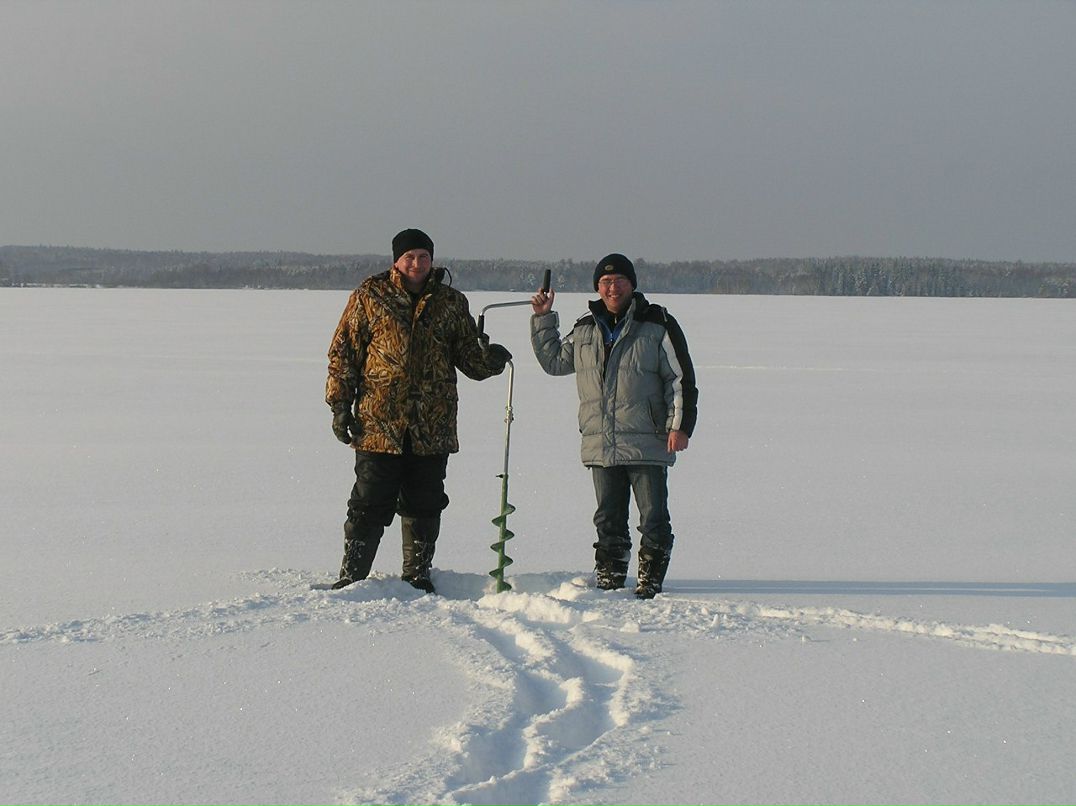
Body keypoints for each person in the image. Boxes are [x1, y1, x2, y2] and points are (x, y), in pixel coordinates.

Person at [325, 228, 512, 593]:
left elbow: (468, 360)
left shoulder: (451, 302)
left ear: (432, 260)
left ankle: (417, 573)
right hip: (379, 423)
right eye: (409, 257)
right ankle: (353, 575)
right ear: (396, 260)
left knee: (424, 501)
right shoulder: (369, 297)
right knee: (368, 500)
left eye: (423, 257)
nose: (417, 264)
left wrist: (489, 360)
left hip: (432, 424)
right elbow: (343, 353)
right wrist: (339, 405)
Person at [530, 253, 698, 599]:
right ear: (597, 287)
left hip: (648, 440)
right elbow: (554, 361)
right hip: (601, 442)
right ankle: (609, 575)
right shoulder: (585, 328)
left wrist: (679, 425)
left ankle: (649, 579)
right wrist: (543, 319)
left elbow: (680, 379)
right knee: (608, 518)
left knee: (652, 517)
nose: (612, 287)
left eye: (619, 280)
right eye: (605, 282)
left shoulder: (657, 324)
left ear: (632, 285)